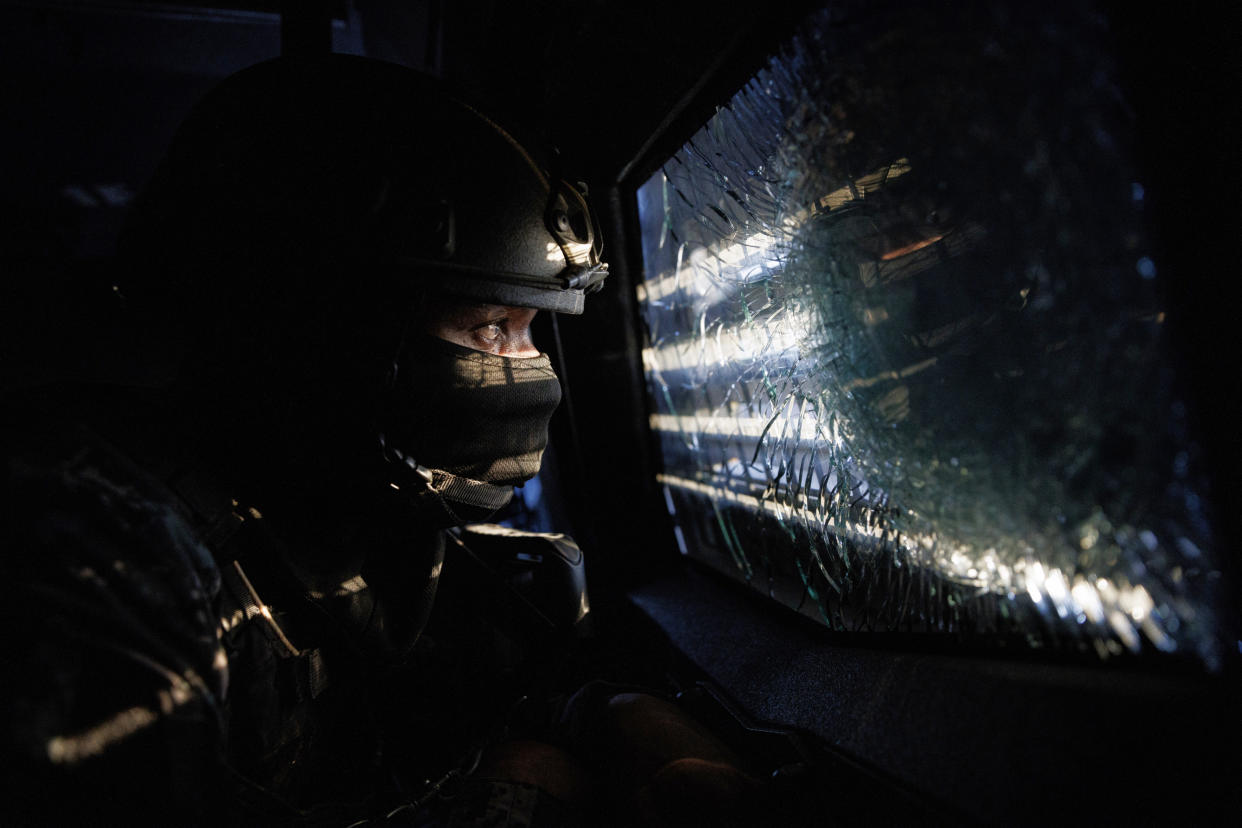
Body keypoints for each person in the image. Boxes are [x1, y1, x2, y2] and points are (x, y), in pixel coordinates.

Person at [2, 54, 769, 826]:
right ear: (321, 335)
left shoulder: (372, 529)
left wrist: (609, 717)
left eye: (533, 330)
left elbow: (478, 676)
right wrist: (516, 795)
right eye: (489, 328)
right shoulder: (91, 547)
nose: (531, 372)